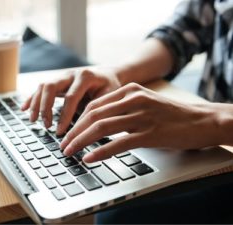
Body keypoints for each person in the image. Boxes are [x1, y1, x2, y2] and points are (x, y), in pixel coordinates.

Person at [22, 0, 233, 223]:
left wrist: (215, 120)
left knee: (119, 214)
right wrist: (117, 73)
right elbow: (180, 32)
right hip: (211, 144)